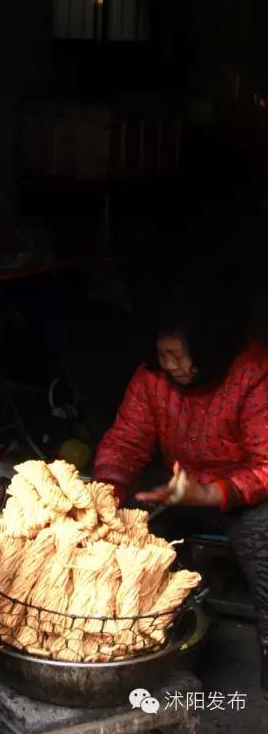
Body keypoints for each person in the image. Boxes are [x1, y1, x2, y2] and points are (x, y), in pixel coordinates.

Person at [93, 283, 268, 691]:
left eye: (178, 355)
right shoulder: (153, 377)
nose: (168, 364)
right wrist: (107, 492)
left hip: (246, 495)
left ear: (211, 350)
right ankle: (135, 644)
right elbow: (126, 442)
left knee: (263, 540)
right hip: (180, 486)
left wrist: (212, 493)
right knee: (122, 526)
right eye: (162, 354)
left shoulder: (254, 374)